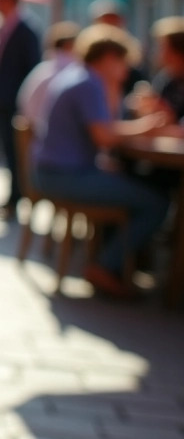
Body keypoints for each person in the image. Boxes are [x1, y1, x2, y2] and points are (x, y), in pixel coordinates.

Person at [32, 25, 170, 298]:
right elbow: (105, 136)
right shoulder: (89, 82)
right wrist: (147, 126)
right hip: (64, 177)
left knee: (131, 185)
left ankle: (117, 262)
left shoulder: (79, 77)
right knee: (157, 202)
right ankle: (107, 266)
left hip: (54, 172)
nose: (126, 70)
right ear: (109, 58)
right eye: (123, 62)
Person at [0, 0, 41, 220]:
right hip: (6, 100)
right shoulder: (10, 27)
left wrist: (14, 97)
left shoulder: (25, 29)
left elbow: (29, 68)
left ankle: (16, 197)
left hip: (14, 103)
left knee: (14, 152)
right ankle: (13, 197)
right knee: (9, 152)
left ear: (10, 2)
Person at [16, 21, 80, 137]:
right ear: (70, 45)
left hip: (40, 136)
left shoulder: (42, 70)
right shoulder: (75, 73)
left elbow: (25, 105)